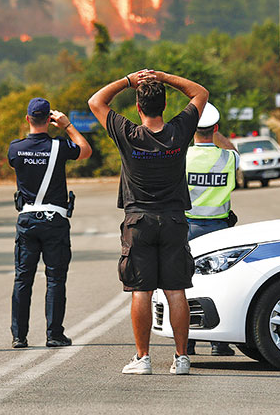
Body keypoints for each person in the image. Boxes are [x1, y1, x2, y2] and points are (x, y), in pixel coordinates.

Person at [88, 69, 208, 376]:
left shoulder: (128, 134)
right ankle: (181, 358)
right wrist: (165, 77)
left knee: (141, 291)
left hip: (138, 220)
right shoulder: (179, 131)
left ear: (139, 108)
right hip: (173, 219)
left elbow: (96, 101)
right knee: (176, 289)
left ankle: (143, 358)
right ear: (165, 106)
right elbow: (200, 93)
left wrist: (129, 80)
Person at [8, 98, 92, 349]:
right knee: (55, 278)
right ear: (49, 120)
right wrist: (67, 125)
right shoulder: (60, 146)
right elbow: (85, 150)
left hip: (27, 219)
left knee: (23, 279)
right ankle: (54, 334)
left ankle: (19, 336)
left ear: (27, 119)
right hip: (54, 219)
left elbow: (19, 163)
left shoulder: (15, 148)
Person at [184, 103, 238, 357]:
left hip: (188, 228)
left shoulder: (183, 157)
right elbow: (233, 149)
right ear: (215, 128)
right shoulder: (228, 158)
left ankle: (188, 342)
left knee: (185, 283)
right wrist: (216, 133)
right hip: (219, 228)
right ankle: (219, 343)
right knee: (218, 283)